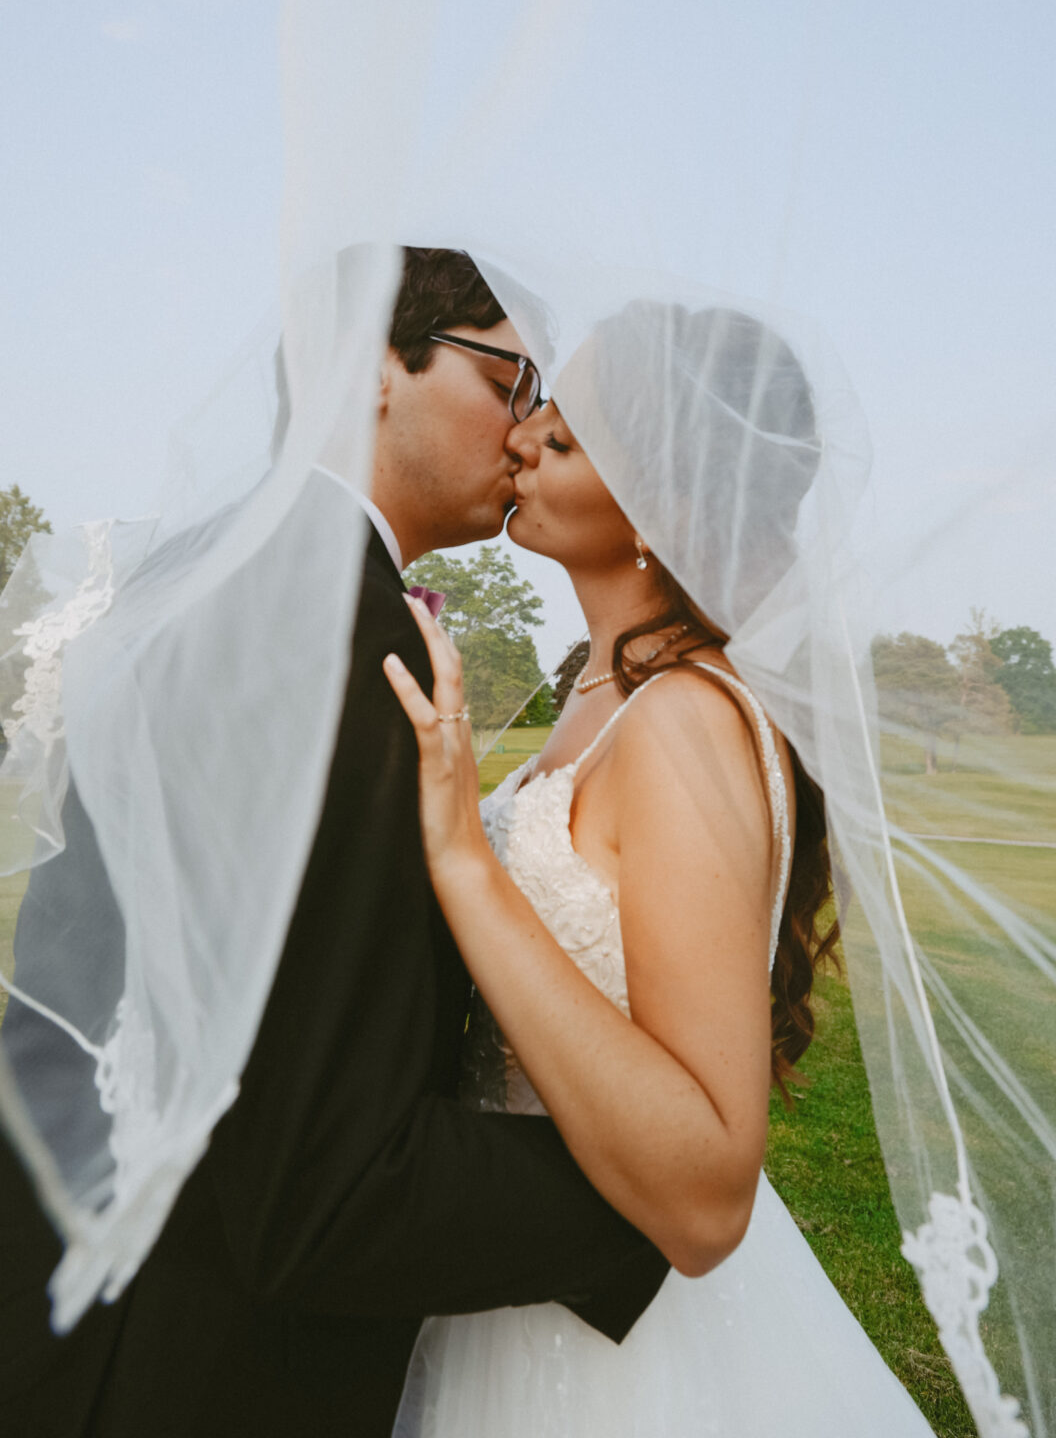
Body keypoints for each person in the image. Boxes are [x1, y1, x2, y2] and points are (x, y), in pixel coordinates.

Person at [0, 249, 667, 1438]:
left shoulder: (193, 574)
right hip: (203, 1367)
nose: (527, 430)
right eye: (510, 377)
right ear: (372, 367)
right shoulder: (348, 647)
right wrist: (648, 1196)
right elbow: (326, 1183)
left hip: (65, 1303)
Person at [384, 303, 938, 1436]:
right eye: (534, 405)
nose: (524, 435)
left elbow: (705, 1193)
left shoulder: (684, 721)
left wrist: (459, 858)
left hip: (612, 1351)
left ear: (665, 509)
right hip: (498, 1267)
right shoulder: (602, 688)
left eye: (570, 435)